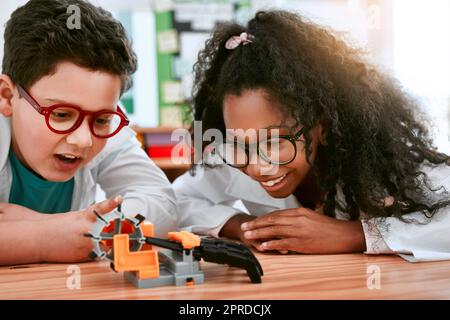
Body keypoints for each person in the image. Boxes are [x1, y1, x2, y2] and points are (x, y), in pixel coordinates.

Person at [173, 10, 450, 262]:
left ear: (323, 125)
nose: (256, 166)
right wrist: (242, 226)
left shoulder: (382, 163)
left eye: (274, 141)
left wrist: (355, 234)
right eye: (238, 142)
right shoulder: (235, 158)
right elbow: (175, 201)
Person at [0, 0, 177, 266]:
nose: (84, 139)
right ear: (7, 96)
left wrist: (71, 230)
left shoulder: (106, 131)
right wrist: (44, 238)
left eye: (102, 118)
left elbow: (162, 204)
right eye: (61, 115)